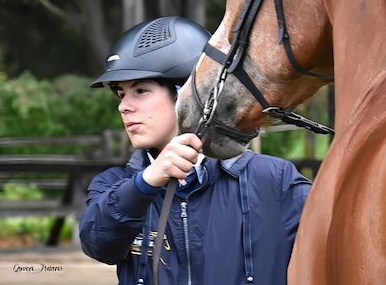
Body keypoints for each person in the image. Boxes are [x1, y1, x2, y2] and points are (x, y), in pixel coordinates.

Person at [80, 16, 311, 285]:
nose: (124, 106)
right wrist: (145, 183)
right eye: (121, 94)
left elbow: (348, 237)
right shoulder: (115, 186)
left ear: (188, 91)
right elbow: (99, 245)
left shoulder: (274, 181)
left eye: (140, 91)